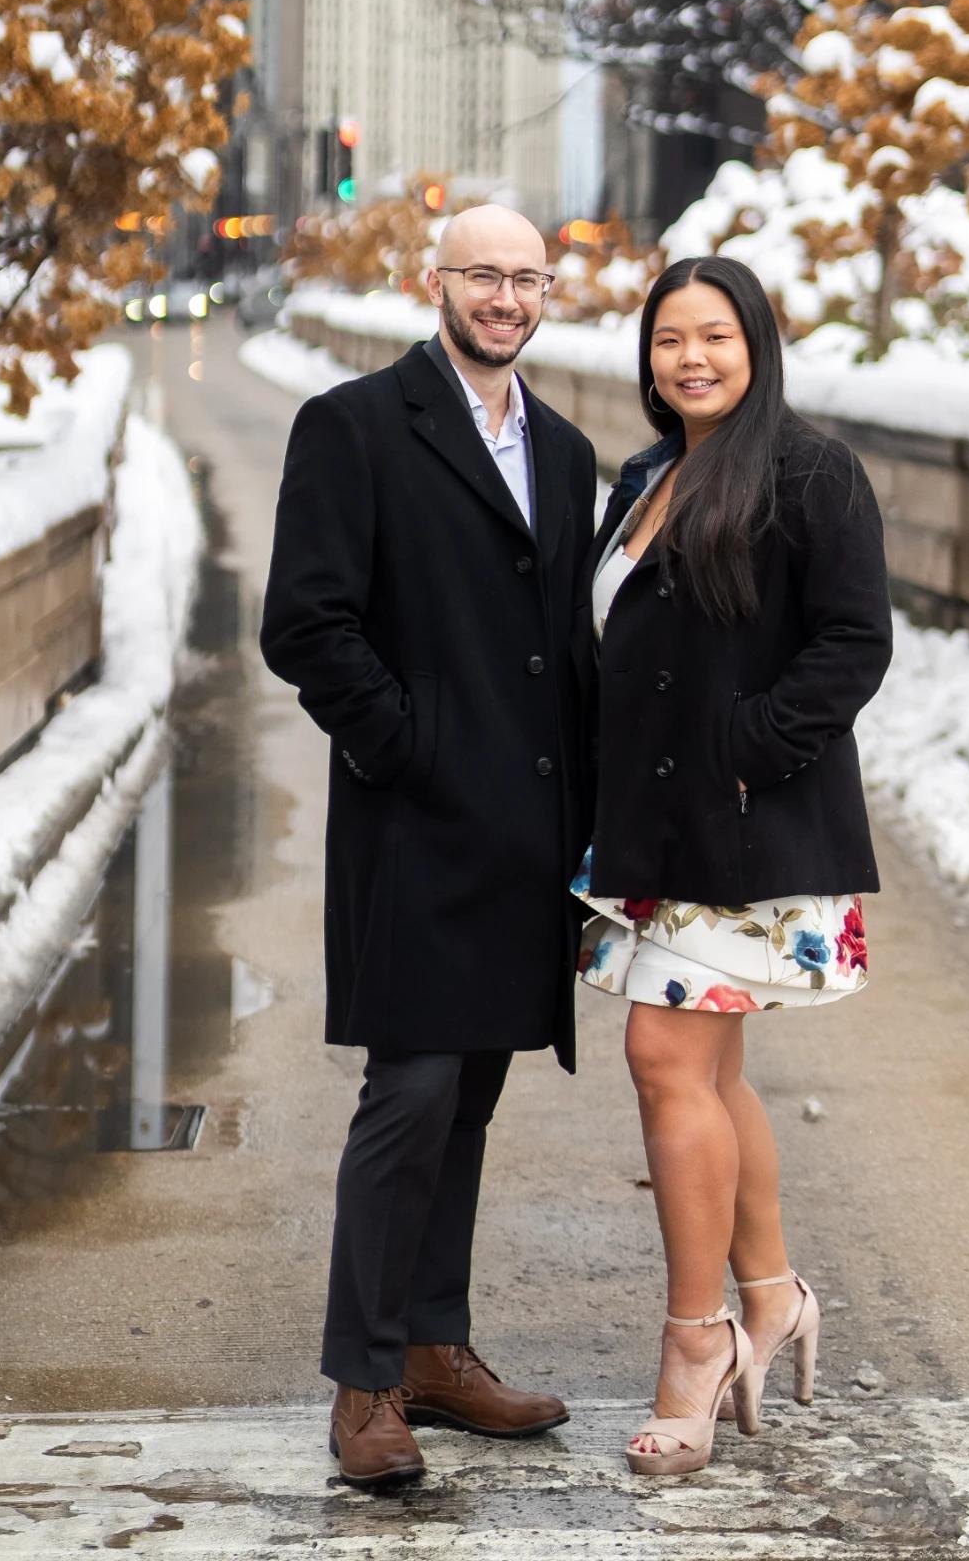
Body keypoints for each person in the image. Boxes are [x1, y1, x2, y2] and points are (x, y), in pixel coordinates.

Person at [260, 204, 598, 1490]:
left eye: (527, 278)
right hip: (415, 825)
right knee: (407, 1096)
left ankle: (437, 1347)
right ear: (433, 282)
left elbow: (565, 642)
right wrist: (407, 745)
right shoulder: (353, 426)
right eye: (483, 275)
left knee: (472, 1095)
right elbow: (305, 624)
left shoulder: (561, 452)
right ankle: (364, 1385)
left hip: (527, 835)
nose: (505, 297)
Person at [573, 253, 892, 1478]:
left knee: (665, 1059)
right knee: (709, 1071)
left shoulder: (812, 473)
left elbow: (853, 642)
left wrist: (745, 752)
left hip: (744, 827)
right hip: (652, 832)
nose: (689, 358)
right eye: (668, 340)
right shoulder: (650, 473)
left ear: (756, 345)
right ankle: (773, 1297)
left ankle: (693, 1344)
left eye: (713, 336)